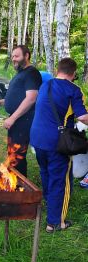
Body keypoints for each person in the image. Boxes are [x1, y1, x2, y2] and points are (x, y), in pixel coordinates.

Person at [30, 58, 88, 233]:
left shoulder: (45, 85)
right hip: (57, 143)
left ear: (58, 69)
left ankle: (49, 204)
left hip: (37, 139)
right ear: (73, 73)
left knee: (45, 171)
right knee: (61, 180)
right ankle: (55, 222)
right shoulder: (73, 90)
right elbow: (82, 117)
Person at [0, 45, 42, 176]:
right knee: (12, 152)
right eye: (12, 56)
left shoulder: (32, 73)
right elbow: (19, 97)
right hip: (18, 119)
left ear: (26, 56)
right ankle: (12, 181)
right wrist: (3, 102)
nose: (13, 59)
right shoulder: (21, 73)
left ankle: (20, 187)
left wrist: (13, 118)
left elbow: (31, 98)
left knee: (18, 154)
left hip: (24, 120)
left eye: (17, 56)